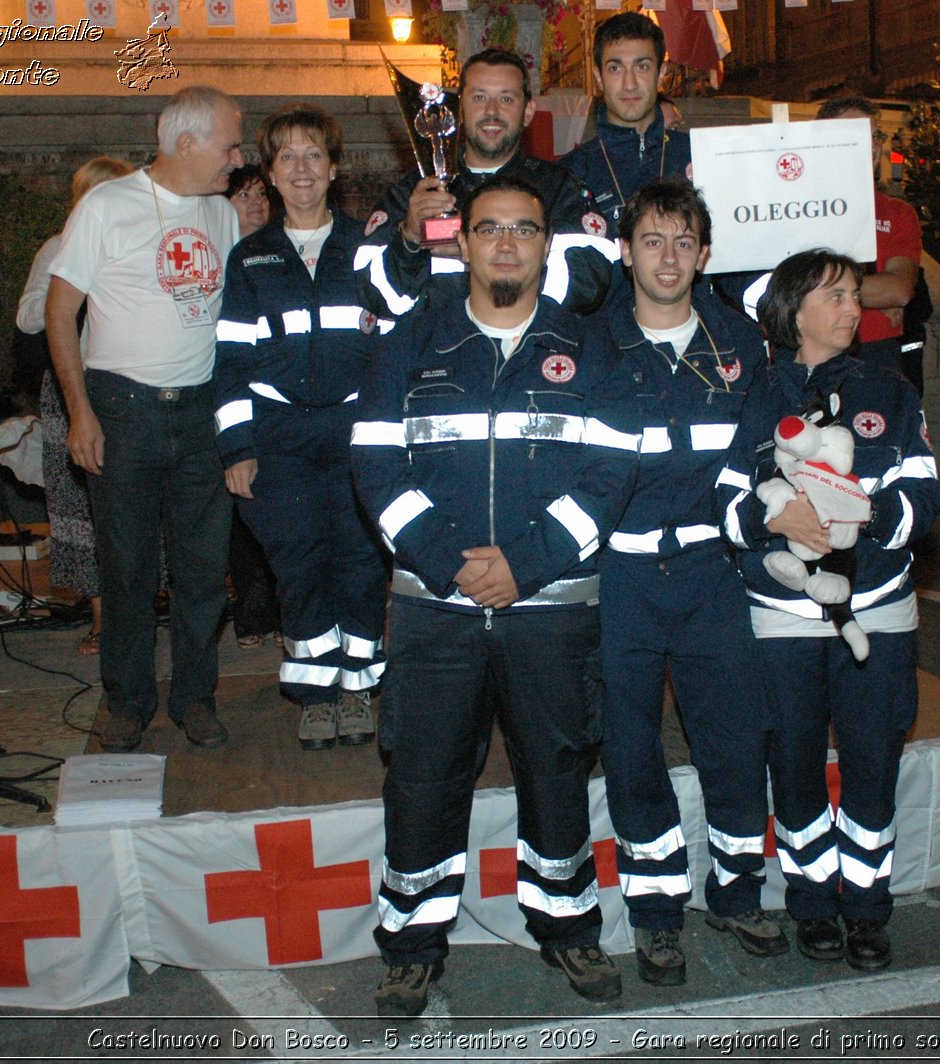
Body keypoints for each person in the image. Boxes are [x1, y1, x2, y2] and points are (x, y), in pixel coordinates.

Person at [350, 175, 639, 1018]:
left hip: (550, 607)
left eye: (523, 230)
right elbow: (375, 464)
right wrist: (445, 562)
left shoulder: (593, 351)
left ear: (546, 245)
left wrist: (528, 563)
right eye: (490, 230)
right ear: (462, 244)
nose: (506, 244)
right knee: (422, 778)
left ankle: (567, 927)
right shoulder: (412, 343)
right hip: (434, 609)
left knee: (555, 772)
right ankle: (409, 945)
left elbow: (610, 475)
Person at [584, 180, 782, 987]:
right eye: (653, 240)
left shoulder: (741, 342)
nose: (669, 257)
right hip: (619, 576)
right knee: (631, 747)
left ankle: (736, 894)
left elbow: (764, 456)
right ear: (626, 250)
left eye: (684, 242)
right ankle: (656, 914)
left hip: (710, 571)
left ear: (706, 255)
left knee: (736, 738)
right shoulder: (589, 346)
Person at [729, 249, 940, 972]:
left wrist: (869, 512)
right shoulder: (754, 395)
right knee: (791, 765)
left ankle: (867, 909)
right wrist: (772, 521)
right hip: (779, 614)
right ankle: (813, 904)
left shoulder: (891, 388)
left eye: (855, 294)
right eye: (835, 296)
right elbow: (723, 505)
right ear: (792, 310)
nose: (854, 309)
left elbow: (925, 492)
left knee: (872, 761)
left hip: (877, 609)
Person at [45, 85, 242, 752]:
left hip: (201, 414)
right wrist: (79, 412)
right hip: (122, 409)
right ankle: (127, 701)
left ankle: (195, 698)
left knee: (202, 571)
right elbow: (58, 310)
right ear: (185, 142)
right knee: (126, 568)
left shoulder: (222, 213)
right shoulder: (109, 204)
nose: (238, 158)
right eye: (230, 144)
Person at [215, 105, 389, 751]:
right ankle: (316, 695)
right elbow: (230, 360)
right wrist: (237, 445)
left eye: (313, 154)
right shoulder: (250, 259)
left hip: (354, 435)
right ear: (269, 173)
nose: (301, 168)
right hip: (280, 439)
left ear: (334, 167)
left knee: (363, 564)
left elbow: (393, 352)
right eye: (286, 156)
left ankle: (358, 688)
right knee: (299, 566)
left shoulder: (369, 250)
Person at [360, 47, 615, 320]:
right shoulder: (414, 194)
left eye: (506, 98)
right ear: (459, 109)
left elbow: (585, 288)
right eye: (479, 97)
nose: (491, 111)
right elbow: (376, 298)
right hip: (434, 357)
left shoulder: (559, 190)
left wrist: (477, 254)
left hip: (530, 355)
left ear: (528, 111)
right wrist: (409, 239)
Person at [17, 155, 136, 656]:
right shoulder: (57, 249)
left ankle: (139, 611)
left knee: (133, 503)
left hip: (132, 386)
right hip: (73, 390)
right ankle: (101, 618)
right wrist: (75, 294)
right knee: (78, 508)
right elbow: (27, 318)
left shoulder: (139, 246)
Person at [732, 97, 922, 380]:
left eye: (874, 136)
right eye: (855, 136)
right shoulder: (791, 209)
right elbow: (775, 289)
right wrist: (870, 294)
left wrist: (810, 291)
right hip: (803, 355)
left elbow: (898, 290)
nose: (871, 147)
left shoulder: (897, 213)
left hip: (875, 356)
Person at [220, 163, 282, 654]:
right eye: (244, 194)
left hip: (277, 401)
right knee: (239, 510)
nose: (256, 202)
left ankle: (285, 608)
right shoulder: (217, 257)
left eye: (262, 193)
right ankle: (251, 610)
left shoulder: (280, 252)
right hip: (228, 395)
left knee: (278, 507)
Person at [559, 13, 691, 234]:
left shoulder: (695, 156)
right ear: (598, 78)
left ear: (661, 75)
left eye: (642, 67)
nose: (629, 84)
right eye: (615, 69)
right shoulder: (571, 175)